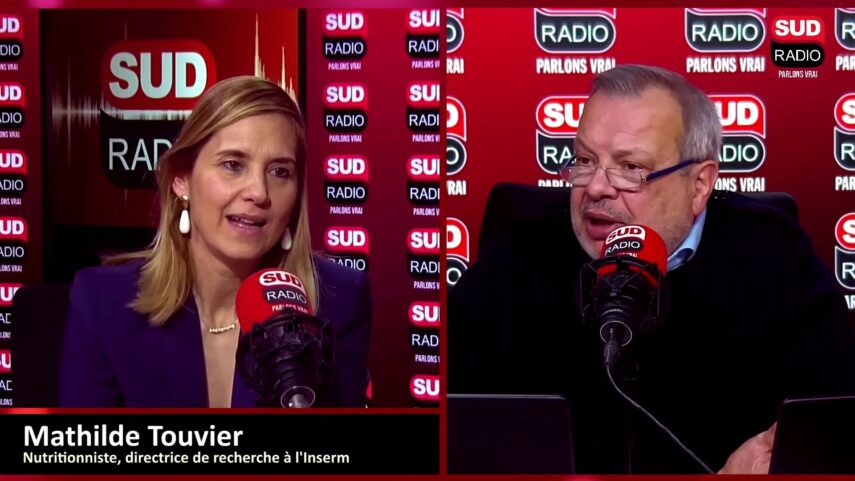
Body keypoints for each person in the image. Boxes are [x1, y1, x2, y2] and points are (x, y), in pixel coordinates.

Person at [448, 65, 855, 473]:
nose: (595, 188)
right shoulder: (518, 253)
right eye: (585, 160)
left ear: (698, 185)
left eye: (631, 168)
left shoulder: (774, 257)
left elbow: (828, 427)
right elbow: (452, 425)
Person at [58, 76, 372, 408]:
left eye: (280, 171)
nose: (259, 192)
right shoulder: (103, 302)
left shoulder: (339, 302)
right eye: (232, 165)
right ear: (181, 179)